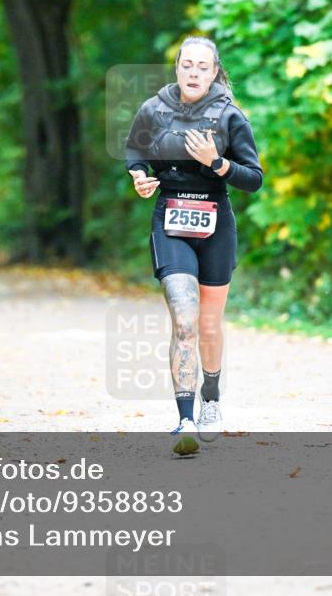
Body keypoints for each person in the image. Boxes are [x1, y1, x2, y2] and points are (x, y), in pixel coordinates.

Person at [123, 36, 263, 455]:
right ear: (178, 68)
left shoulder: (231, 117)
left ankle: (212, 398)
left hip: (216, 223)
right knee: (184, 319)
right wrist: (140, 176)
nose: (194, 73)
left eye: (203, 67)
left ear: (215, 71)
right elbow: (135, 150)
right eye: (187, 65)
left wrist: (215, 162)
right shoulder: (154, 109)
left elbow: (253, 178)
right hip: (170, 219)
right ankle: (184, 418)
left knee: (207, 325)